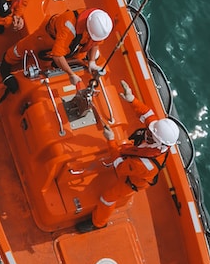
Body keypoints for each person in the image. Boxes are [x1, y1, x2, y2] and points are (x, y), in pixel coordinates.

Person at [77, 80, 180, 231]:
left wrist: (110, 140)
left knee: (108, 197)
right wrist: (131, 99)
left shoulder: (146, 165)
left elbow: (120, 167)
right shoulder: (157, 135)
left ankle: (98, 223)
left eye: (151, 134)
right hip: (134, 156)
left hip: (132, 180)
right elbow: (146, 114)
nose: (147, 132)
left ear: (159, 142)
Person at [0, 8, 113, 87]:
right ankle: (6, 63)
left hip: (74, 46)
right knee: (25, 47)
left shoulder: (98, 24)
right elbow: (58, 56)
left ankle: (57, 66)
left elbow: (94, 43)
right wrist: (71, 74)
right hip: (48, 37)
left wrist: (92, 61)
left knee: (68, 58)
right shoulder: (68, 25)